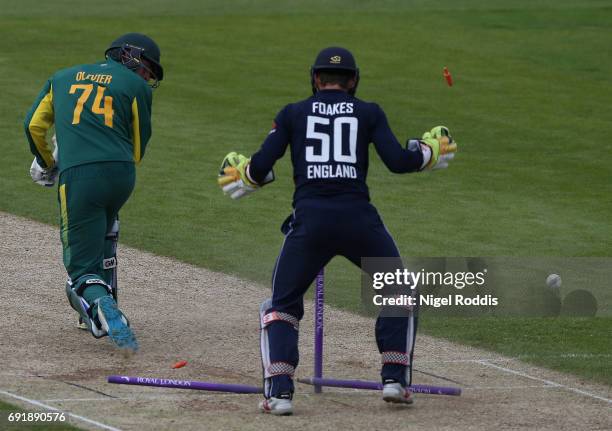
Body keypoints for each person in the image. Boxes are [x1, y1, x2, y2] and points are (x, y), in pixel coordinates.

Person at [218, 46, 457, 415]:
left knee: (282, 304)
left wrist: (245, 173)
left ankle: (279, 393)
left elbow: (261, 166)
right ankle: (394, 380)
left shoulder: (293, 113)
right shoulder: (369, 112)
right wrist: (429, 151)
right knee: (399, 289)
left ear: (315, 79)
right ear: (354, 80)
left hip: (310, 222)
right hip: (359, 220)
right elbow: (398, 161)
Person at [24, 33, 164, 353]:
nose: (146, 76)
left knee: (80, 267)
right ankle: (100, 301)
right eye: (147, 68)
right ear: (129, 56)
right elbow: (139, 148)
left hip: (79, 178)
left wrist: (48, 163)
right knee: (105, 226)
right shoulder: (136, 88)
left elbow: (32, 126)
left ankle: (99, 303)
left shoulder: (60, 78)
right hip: (121, 175)